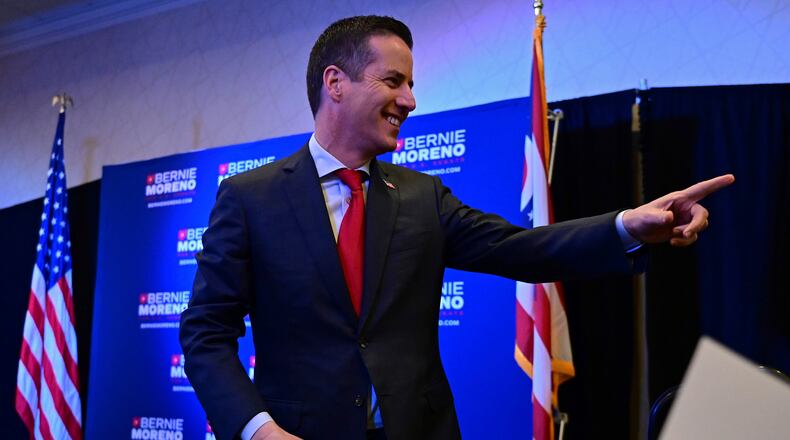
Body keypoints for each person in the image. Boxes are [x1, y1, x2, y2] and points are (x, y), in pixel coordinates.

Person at [179, 15, 733, 440]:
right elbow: (206, 334)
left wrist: (627, 225)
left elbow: (522, 248)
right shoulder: (250, 199)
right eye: (393, 81)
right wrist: (258, 429)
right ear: (336, 82)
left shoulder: (422, 197)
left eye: (411, 84)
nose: (410, 100)